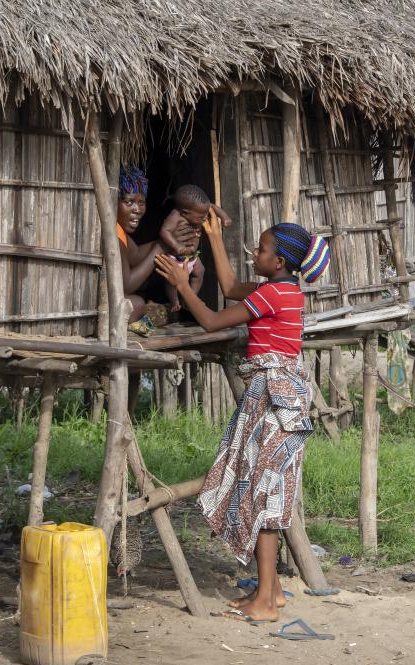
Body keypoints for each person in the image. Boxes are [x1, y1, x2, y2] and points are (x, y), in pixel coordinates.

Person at [154, 219, 330, 623]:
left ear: (280, 260)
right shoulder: (282, 291)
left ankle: (266, 603)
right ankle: (273, 592)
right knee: (263, 493)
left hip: (275, 404)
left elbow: (214, 320)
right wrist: (215, 238)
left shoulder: (273, 296)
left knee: (264, 498)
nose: (255, 252)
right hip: (275, 401)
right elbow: (232, 287)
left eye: (262, 249)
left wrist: (182, 286)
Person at [114, 167, 194, 331]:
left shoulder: (120, 231)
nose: (137, 209)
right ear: (113, 202)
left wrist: (168, 240)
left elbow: (136, 255)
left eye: (141, 202)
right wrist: (161, 247)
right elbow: (126, 285)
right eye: (129, 202)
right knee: (136, 303)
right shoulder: (113, 233)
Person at [157, 184, 230, 312]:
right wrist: (176, 245)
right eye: (201, 217)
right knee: (170, 282)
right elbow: (164, 231)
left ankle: (191, 297)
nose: (204, 218)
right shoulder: (175, 217)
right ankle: (175, 301)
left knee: (200, 272)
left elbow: (212, 206)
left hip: (192, 257)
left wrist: (224, 217)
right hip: (176, 258)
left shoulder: (198, 210)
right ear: (185, 212)